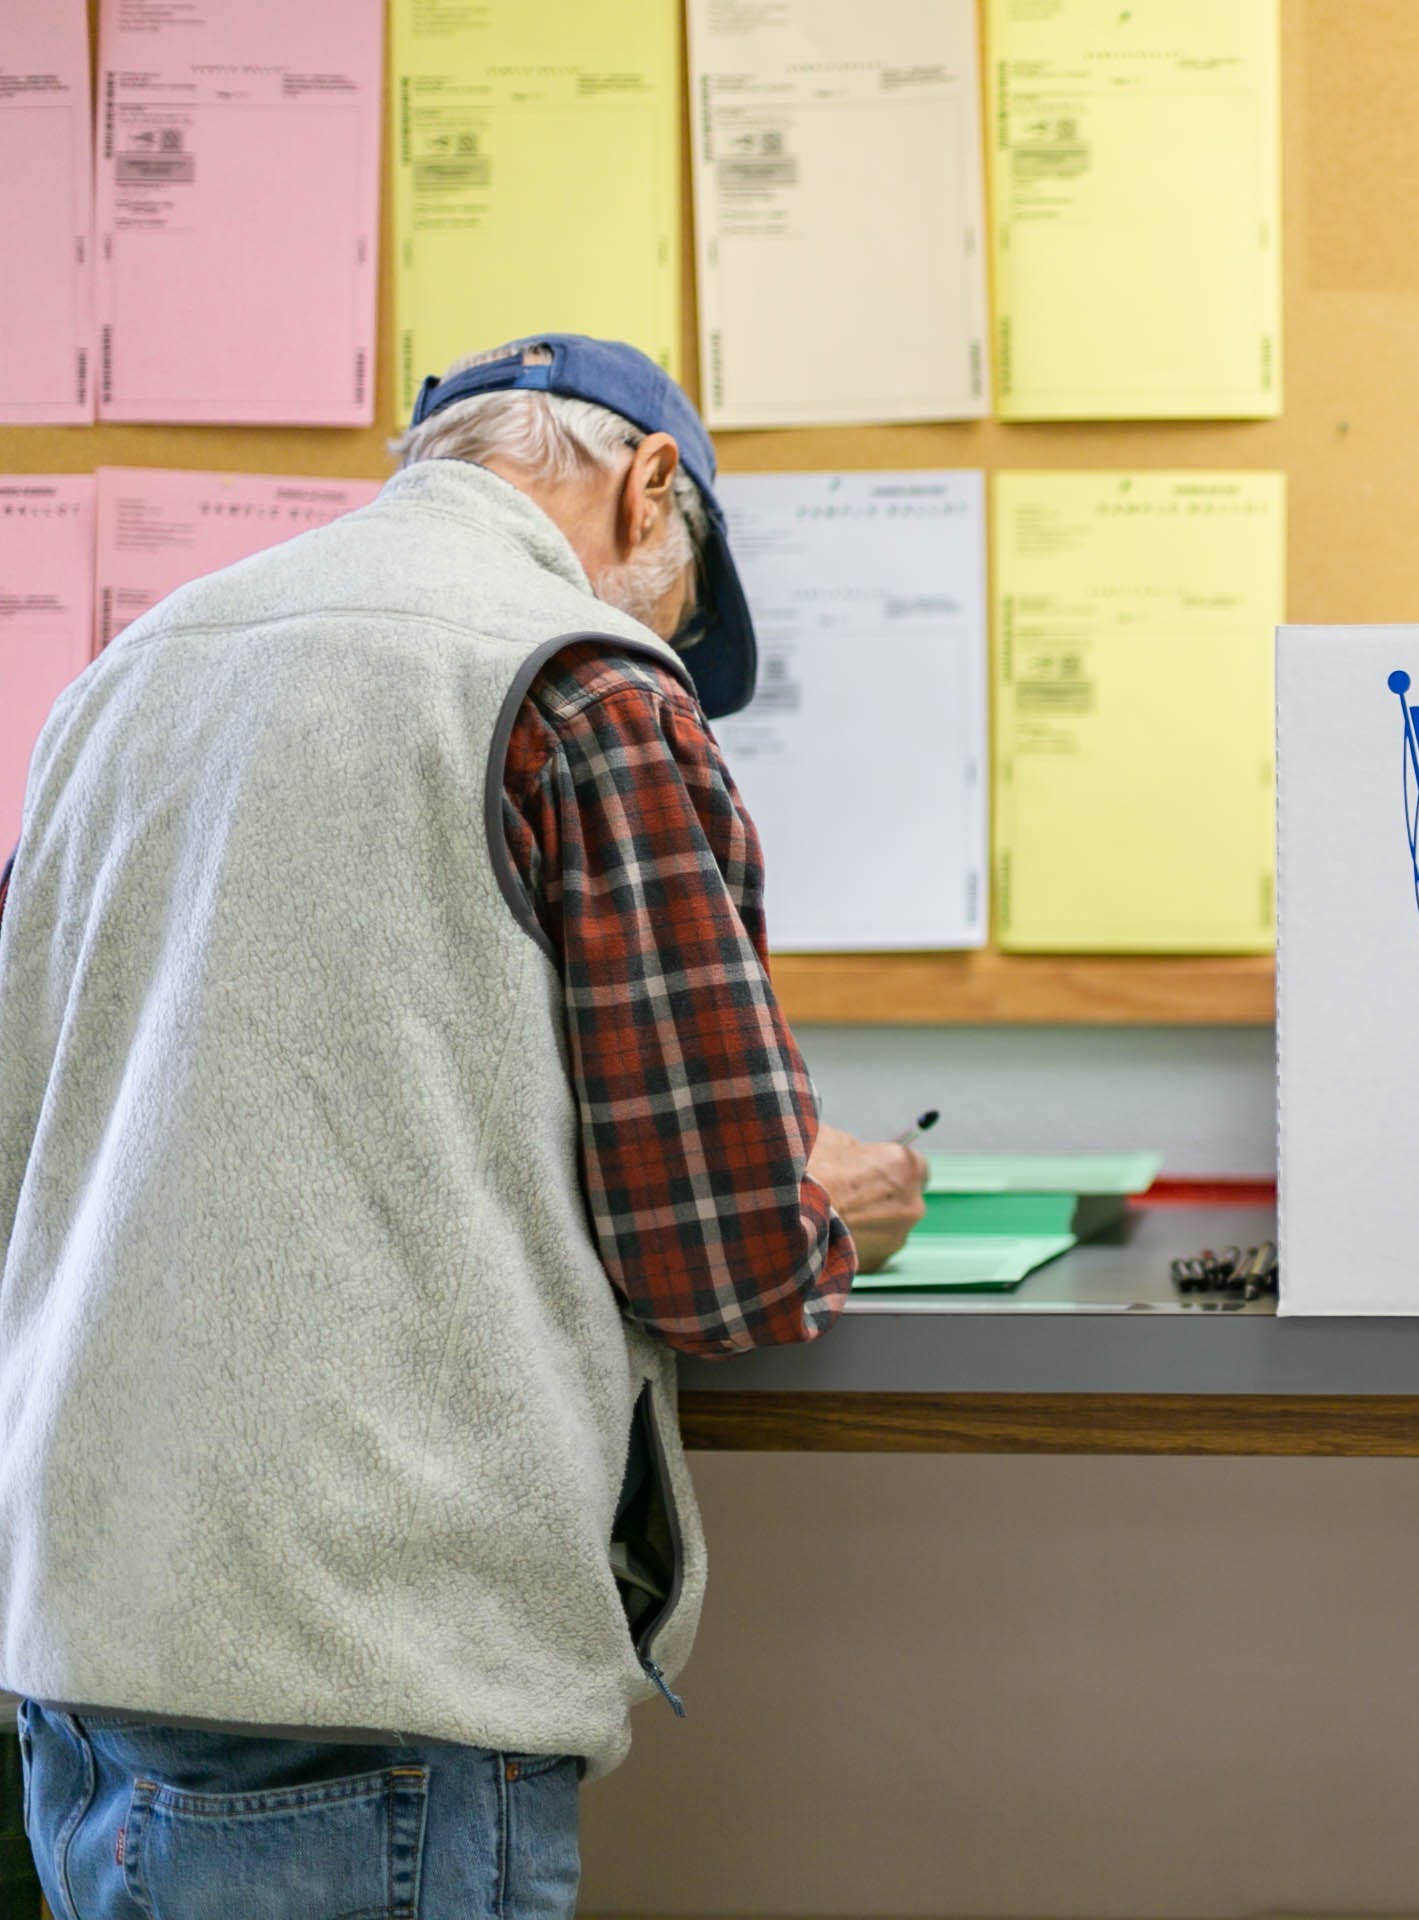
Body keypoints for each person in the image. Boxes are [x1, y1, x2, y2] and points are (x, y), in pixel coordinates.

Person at [0, 334, 927, 1917]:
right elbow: (723, 1261)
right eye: (677, 605)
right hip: (376, 1668)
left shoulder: (124, 676)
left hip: (82, 1654)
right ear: (651, 490)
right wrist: (830, 1201)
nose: (661, 641)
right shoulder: (582, 684)